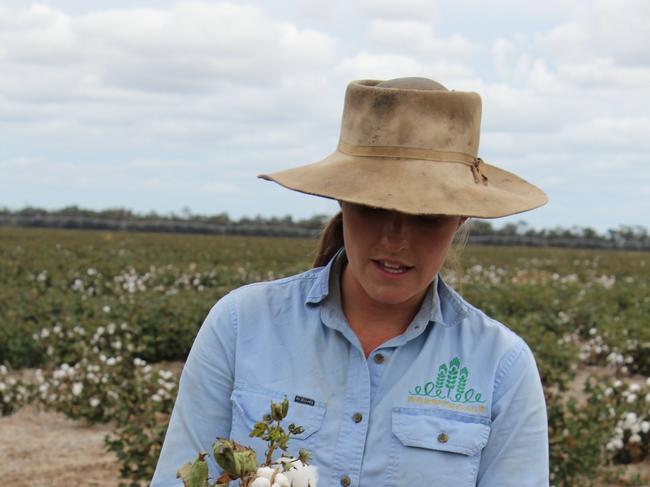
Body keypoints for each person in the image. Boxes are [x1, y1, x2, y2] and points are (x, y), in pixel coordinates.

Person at [151, 77, 550, 487]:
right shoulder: (241, 325)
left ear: (462, 217)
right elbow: (181, 478)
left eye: (427, 216)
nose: (395, 240)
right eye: (375, 208)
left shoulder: (501, 365)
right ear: (342, 200)